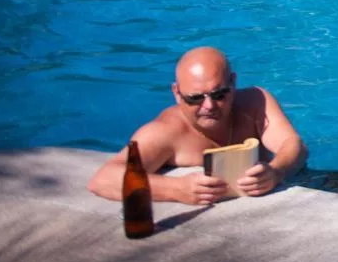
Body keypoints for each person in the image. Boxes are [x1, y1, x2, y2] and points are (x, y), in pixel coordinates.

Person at [87, 47, 307, 206]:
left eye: (219, 94)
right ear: (176, 93)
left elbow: (293, 144)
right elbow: (105, 179)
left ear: (233, 83)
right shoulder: (165, 132)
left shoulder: (255, 102)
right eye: (195, 98)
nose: (209, 106)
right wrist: (176, 189)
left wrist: (277, 172)